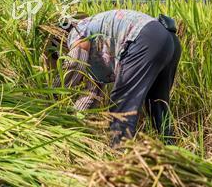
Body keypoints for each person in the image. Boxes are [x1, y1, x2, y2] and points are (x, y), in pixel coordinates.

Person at [46, 10, 181, 146]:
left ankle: (120, 157)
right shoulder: (96, 38)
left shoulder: (77, 31)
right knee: (157, 104)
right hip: (168, 40)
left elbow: (75, 63)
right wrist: (75, 122)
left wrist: (52, 96)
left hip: (146, 38)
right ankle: (172, 153)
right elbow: (92, 94)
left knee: (122, 103)